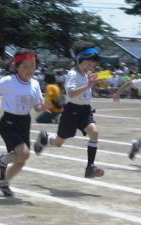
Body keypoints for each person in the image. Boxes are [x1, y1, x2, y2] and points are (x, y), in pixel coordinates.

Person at [0, 51, 48, 197]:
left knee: (22, 160)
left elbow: (37, 107)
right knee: (24, 153)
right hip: (9, 122)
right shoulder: (9, 81)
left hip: (24, 122)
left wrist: (44, 107)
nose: (29, 70)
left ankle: (3, 182)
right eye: (25, 66)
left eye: (32, 66)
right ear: (17, 67)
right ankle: (3, 160)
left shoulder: (35, 84)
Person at [33, 40, 104, 178]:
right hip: (71, 111)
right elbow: (71, 93)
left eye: (92, 64)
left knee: (94, 132)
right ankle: (45, 139)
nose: (90, 66)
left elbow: (86, 91)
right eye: (87, 63)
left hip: (85, 111)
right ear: (78, 60)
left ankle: (90, 167)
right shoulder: (73, 74)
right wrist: (89, 85)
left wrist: (95, 83)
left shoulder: (86, 75)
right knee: (59, 142)